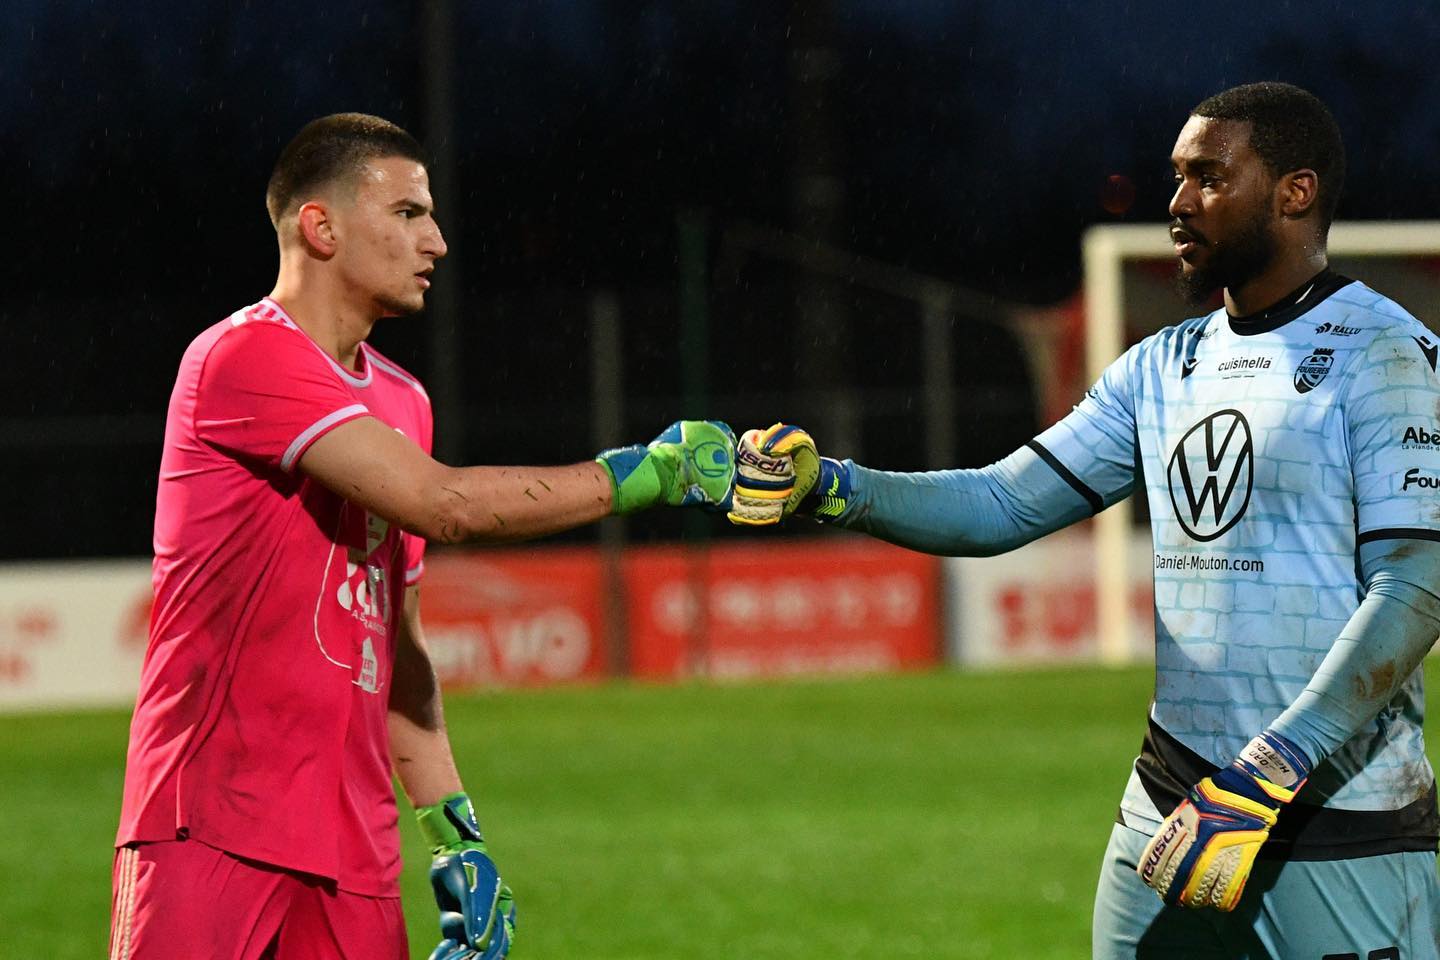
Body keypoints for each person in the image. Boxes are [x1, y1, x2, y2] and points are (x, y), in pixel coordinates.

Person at [727, 82, 1440, 959]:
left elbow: (1415, 584)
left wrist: (1273, 768)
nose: (1177, 203)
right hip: (1172, 802)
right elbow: (1000, 502)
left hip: (1335, 812)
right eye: (1177, 177)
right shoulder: (1160, 366)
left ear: (1295, 193)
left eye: (1209, 178)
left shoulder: (1386, 354)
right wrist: (832, 486)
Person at [110, 113, 736, 960]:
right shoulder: (239, 359)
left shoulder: (404, 400)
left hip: (354, 851)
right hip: (215, 822)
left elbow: (395, 647)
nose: (436, 241)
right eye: (408, 214)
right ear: (319, 226)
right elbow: (446, 505)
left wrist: (455, 833)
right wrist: (648, 474)